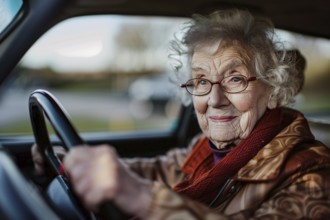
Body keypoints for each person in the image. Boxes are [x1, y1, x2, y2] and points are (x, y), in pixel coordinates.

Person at [32, 9, 330, 219]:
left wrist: (145, 198)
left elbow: (144, 186)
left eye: (235, 79)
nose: (214, 99)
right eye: (201, 81)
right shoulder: (206, 150)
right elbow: (157, 169)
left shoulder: (312, 176)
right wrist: (80, 167)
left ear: (273, 89)